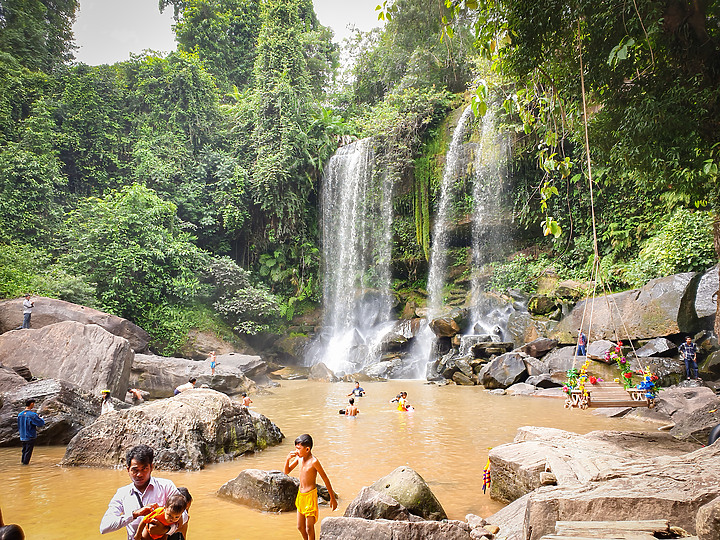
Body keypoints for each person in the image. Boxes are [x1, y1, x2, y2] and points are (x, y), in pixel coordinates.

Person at [100, 444, 187, 540]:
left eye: (144, 469)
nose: (139, 474)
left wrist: (166, 530)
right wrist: (135, 514)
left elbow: (184, 515)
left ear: (151, 468)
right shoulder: (122, 493)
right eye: (135, 470)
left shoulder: (166, 486)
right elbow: (104, 527)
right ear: (128, 469)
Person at [283, 434, 337, 540]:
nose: (296, 451)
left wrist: (332, 498)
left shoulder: (314, 462)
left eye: (298, 448)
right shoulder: (299, 458)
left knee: (309, 528)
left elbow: (325, 479)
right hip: (301, 496)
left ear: (307, 449)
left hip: (310, 497)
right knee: (300, 526)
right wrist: (287, 459)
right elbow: (286, 471)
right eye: (296, 448)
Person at [18, 398, 44, 465]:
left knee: (24, 451)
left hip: (22, 436)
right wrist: (41, 418)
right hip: (30, 436)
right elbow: (40, 424)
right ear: (31, 404)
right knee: (28, 452)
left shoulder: (20, 414)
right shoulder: (32, 415)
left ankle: (23, 464)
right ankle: (25, 467)